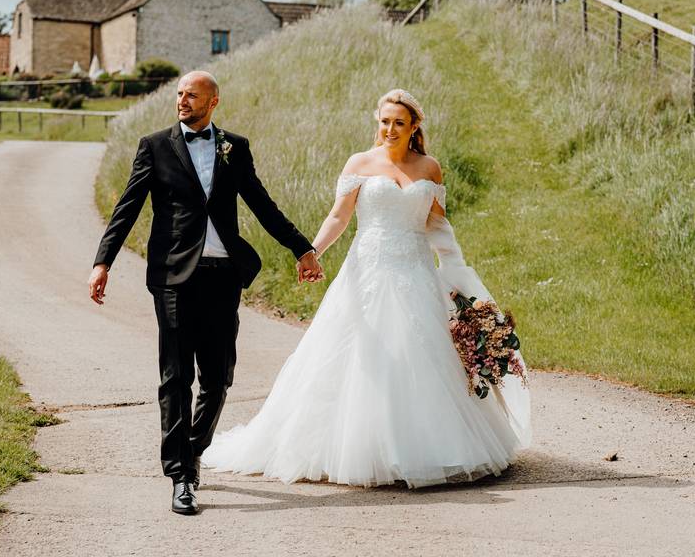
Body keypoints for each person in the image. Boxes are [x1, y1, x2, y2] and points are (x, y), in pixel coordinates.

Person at [202, 89, 531, 488]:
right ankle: (358, 449)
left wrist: (458, 275)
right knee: (359, 356)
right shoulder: (360, 163)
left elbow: (438, 226)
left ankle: (424, 448)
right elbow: (339, 216)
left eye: (399, 123)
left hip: (416, 272)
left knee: (422, 356)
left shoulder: (429, 168)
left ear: (414, 128)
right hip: (368, 271)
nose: (390, 129)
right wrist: (312, 252)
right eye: (385, 121)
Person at [88, 71, 323, 515]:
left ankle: (193, 449)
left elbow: (261, 202)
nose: (182, 100)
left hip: (222, 275)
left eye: (191, 95)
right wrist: (103, 262)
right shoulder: (154, 146)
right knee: (176, 376)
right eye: (179, 94)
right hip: (174, 276)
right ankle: (180, 475)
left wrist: (302, 247)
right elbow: (128, 206)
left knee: (218, 377)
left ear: (213, 101)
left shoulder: (235, 147)